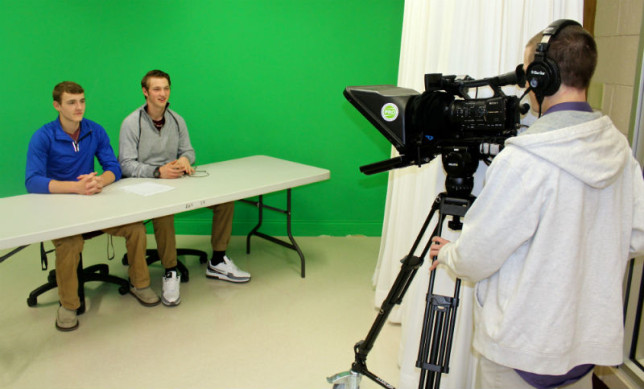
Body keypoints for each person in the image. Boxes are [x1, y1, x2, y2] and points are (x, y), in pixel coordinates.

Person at [428, 20, 644, 389]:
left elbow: (477, 257)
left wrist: (450, 255)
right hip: (582, 345)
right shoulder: (619, 150)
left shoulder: (525, 160)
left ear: (541, 77)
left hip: (521, 351)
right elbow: (636, 236)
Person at [26, 81, 160, 332]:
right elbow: (32, 180)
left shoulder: (94, 131)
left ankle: (139, 283)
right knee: (70, 244)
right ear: (57, 105)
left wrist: (100, 180)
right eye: (72, 102)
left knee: (135, 228)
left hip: (94, 201)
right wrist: (74, 187)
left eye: (82, 101)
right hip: (60, 206)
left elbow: (114, 167)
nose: (79, 107)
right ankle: (68, 305)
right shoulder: (42, 136)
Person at [119, 69, 250, 306]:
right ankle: (170, 271)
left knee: (224, 199)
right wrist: (158, 172)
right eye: (156, 89)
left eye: (166, 88)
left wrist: (184, 160)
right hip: (146, 185)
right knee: (164, 211)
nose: (162, 93)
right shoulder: (131, 123)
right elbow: (126, 164)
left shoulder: (177, 120)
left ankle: (218, 260)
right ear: (145, 92)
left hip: (176, 180)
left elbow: (189, 150)